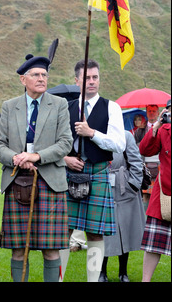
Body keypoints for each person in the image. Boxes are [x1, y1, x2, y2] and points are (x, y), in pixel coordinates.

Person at [0, 54, 73, 282]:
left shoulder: (59, 104)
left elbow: (65, 142)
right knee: (19, 248)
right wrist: (18, 158)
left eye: (44, 75)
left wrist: (36, 156)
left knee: (51, 249)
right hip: (17, 180)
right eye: (36, 75)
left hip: (50, 182)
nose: (41, 78)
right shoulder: (9, 106)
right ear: (23, 80)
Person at [62, 59, 126, 282]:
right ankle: (58, 279)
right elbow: (52, 143)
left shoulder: (112, 107)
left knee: (95, 232)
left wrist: (92, 133)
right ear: (77, 80)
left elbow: (119, 144)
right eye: (87, 78)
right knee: (64, 230)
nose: (91, 81)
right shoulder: (66, 108)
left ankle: (92, 280)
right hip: (69, 172)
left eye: (95, 77)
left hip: (98, 172)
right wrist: (65, 159)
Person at [99, 131, 145, 282]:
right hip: (101, 185)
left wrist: (134, 184)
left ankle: (123, 272)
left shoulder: (126, 135)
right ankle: (101, 272)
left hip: (124, 187)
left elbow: (136, 162)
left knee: (125, 230)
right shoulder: (95, 134)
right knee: (102, 232)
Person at [139, 100, 171, 282]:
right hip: (164, 191)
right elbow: (144, 149)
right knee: (153, 243)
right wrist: (157, 126)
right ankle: (145, 280)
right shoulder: (163, 130)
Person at [135, 104, 161, 211]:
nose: (151, 113)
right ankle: (145, 222)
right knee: (145, 196)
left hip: (160, 166)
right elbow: (134, 147)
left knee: (159, 195)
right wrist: (143, 144)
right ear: (146, 113)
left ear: (158, 113)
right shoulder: (140, 130)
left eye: (154, 111)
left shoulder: (164, 127)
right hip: (145, 166)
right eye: (149, 111)